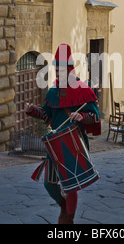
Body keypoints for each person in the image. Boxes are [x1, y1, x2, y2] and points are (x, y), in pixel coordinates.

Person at [24, 44, 100, 224]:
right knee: (49, 184)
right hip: (56, 144)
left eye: (61, 70)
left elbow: (95, 116)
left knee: (71, 186)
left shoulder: (83, 90)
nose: (58, 73)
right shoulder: (53, 91)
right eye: (56, 70)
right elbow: (46, 114)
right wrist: (33, 110)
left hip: (75, 143)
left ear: (70, 69)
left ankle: (68, 219)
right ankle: (64, 207)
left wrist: (82, 116)